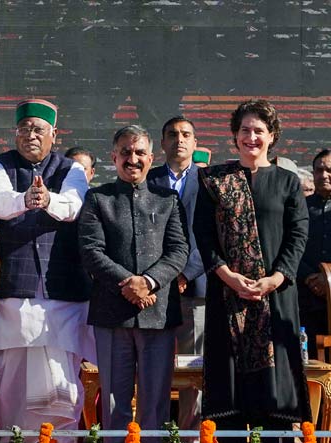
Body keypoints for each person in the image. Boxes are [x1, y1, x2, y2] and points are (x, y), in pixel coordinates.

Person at [193, 99, 310, 431]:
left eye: (259, 130)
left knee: (275, 399)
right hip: (227, 295)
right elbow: (203, 233)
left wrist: (275, 278)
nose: (252, 137)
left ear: (272, 136)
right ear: (234, 135)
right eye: (245, 130)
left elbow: (298, 235)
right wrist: (228, 276)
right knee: (229, 396)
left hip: (275, 297)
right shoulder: (214, 180)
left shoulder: (288, 182)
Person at [0, 99, 93, 430]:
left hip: (62, 296)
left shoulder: (69, 169)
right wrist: (25, 200)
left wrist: (47, 200)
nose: (31, 134)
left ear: (54, 134)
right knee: (10, 388)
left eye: (39, 129)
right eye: (24, 128)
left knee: (62, 388)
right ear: (15, 133)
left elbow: (74, 205)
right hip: (14, 296)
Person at [78, 125, 188, 443]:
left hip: (159, 313)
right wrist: (128, 283)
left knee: (155, 403)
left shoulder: (168, 200)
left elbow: (179, 250)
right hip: (113, 313)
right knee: (114, 402)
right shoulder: (98, 198)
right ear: (114, 157)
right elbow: (90, 251)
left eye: (140, 152)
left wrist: (149, 282)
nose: (133, 159)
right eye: (125, 152)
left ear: (152, 158)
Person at [146, 116, 206, 435]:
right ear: (162, 143)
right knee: (153, 365)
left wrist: (185, 271)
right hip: (153, 289)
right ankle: (151, 434)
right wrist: (161, 275)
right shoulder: (148, 180)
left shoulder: (209, 181)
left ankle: (191, 436)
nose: (179, 140)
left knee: (193, 368)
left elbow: (212, 235)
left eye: (186, 135)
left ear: (195, 143)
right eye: (172, 134)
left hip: (194, 287)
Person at [298, 150, 331, 358]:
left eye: (329, 170)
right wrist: (310, 277)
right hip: (307, 294)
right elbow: (290, 246)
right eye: (319, 170)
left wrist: (327, 279)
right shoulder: (301, 207)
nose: (324, 175)